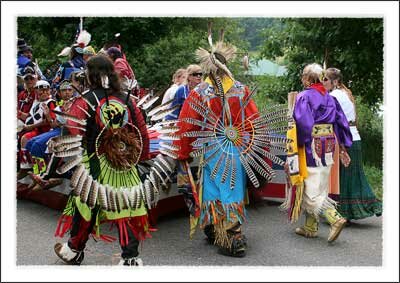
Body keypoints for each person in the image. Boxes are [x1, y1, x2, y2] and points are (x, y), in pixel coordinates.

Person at [174, 30, 289, 257]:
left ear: (208, 68)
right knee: (230, 188)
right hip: (236, 148)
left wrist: (183, 152)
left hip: (213, 149)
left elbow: (186, 126)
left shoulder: (200, 92)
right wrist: (259, 152)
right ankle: (222, 230)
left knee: (215, 189)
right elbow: (256, 124)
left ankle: (232, 236)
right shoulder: (240, 89)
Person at [53, 55, 151, 266]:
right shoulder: (126, 99)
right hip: (124, 165)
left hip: (95, 164)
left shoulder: (85, 100)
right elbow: (142, 132)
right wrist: (141, 159)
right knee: (125, 207)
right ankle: (131, 258)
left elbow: (73, 130)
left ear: (91, 74)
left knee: (86, 206)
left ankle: (74, 250)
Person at [287, 63, 353, 243]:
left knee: (310, 189)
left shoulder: (304, 96)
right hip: (329, 146)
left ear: (308, 79)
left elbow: (303, 124)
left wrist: (297, 146)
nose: (302, 79)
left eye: (303, 76)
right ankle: (310, 227)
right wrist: (345, 144)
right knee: (320, 184)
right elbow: (342, 122)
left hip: (311, 147)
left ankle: (334, 218)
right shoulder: (331, 98)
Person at [322, 67, 382, 221]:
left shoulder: (334, 96)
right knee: (353, 177)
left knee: (343, 179)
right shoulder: (344, 93)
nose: (323, 82)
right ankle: (366, 207)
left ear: (335, 81)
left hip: (346, 140)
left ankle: (344, 213)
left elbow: (333, 120)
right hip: (354, 138)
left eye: (326, 79)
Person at [25, 80, 75, 189]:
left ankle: (44, 177)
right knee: (30, 143)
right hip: (59, 130)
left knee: (37, 145)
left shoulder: (77, 103)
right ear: (59, 93)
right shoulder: (59, 106)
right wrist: (48, 114)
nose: (67, 92)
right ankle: (38, 174)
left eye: (69, 90)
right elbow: (54, 125)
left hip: (70, 133)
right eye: (64, 90)